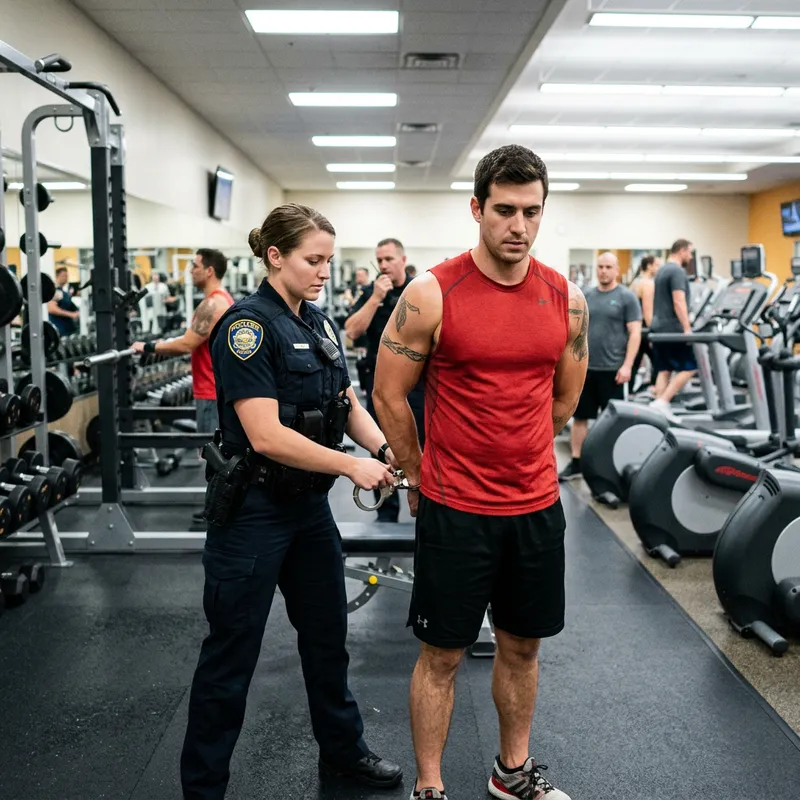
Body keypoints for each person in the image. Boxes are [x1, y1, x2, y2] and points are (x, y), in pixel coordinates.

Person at [372, 144, 587, 800]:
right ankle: (431, 786)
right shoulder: (432, 292)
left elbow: (564, 399)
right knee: (442, 656)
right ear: (477, 209)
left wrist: (517, 451)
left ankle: (510, 772)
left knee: (523, 648)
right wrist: (416, 475)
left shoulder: (567, 299)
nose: (518, 226)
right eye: (504, 211)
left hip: (534, 507)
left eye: (532, 211)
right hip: (456, 508)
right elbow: (388, 394)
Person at [179, 203, 402, 800]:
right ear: (275, 256)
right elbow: (265, 434)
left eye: (329, 259)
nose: (324, 270)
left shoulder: (322, 323)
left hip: (308, 514)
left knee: (328, 640)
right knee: (230, 657)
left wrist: (386, 449)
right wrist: (354, 465)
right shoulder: (245, 327)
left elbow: (345, 404)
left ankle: (344, 751)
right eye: (313, 260)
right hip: (253, 515)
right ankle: (203, 788)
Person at [345, 237, 425, 523]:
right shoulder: (371, 292)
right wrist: (375, 298)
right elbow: (352, 332)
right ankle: (386, 514)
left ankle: (427, 512)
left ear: (403, 260)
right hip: (380, 388)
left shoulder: (421, 291)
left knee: (422, 449)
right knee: (382, 449)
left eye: (389, 259)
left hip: (419, 389)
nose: (383, 265)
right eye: (379, 260)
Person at [558, 251, 641, 481]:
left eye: (608, 267)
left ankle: (610, 467)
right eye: (600, 267)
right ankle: (577, 463)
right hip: (586, 369)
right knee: (580, 417)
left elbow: (635, 333)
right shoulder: (587, 295)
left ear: (617, 270)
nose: (603, 271)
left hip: (614, 370)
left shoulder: (627, 297)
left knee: (614, 422)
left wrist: (627, 366)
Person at [132, 249, 234, 435]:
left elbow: (186, 345)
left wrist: (147, 347)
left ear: (209, 271)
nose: (190, 271)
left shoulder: (212, 305)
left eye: (195, 266)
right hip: (215, 389)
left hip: (210, 392)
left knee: (211, 455)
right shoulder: (223, 299)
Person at [649, 239, 698, 416]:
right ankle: (663, 401)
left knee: (665, 369)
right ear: (682, 251)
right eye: (690, 253)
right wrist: (687, 329)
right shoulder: (677, 271)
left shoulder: (662, 269)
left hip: (659, 327)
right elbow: (678, 300)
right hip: (672, 328)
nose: (690, 257)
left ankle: (658, 412)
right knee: (690, 367)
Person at [628, 254, 660, 394]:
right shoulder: (647, 283)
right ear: (649, 266)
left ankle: (628, 392)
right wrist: (654, 333)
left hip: (634, 329)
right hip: (645, 330)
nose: (659, 268)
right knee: (659, 361)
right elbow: (648, 312)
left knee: (634, 363)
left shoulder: (635, 281)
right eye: (657, 265)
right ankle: (655, 389)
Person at [48, 266, 80, 336]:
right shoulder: (55, 291)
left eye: (67, 276)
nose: (66, 278)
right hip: (60, 329)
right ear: (57, 276)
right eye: (64, 276)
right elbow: (51, 309)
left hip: (68, 329)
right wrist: (72, 314)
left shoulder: (64, 293)